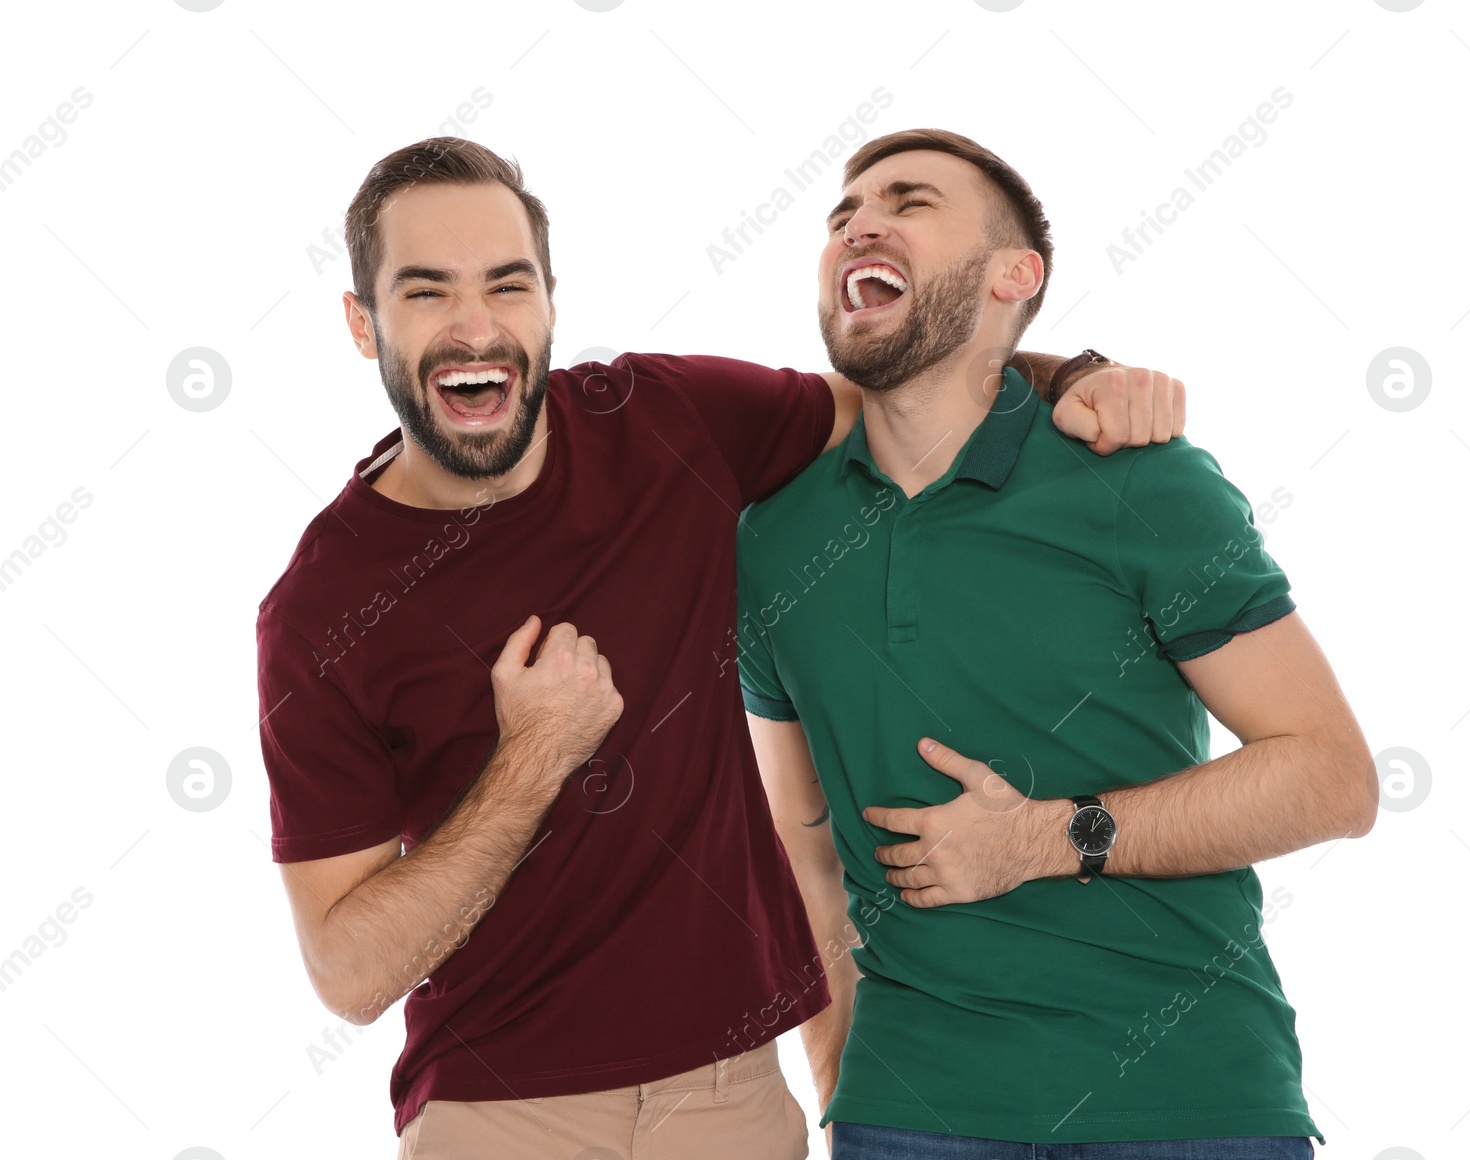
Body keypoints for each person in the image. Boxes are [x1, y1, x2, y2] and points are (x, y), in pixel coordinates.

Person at [253, 135, 1186, 1159]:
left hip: (733, 1097)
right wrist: (529, 761)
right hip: (501, 1106)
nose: (476, 327)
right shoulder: (324, 605)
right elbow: (347, 973)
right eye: (425, 292)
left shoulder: (663, 419)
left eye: (506, 285)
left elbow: (906, 391)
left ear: (549, 302)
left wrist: (1072, 374)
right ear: (362, 321)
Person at [737, 128, 1377, 1159]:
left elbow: (1332, 776)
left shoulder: (1142, 481)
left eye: (909, 200)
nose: (859, 220)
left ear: (1012, 276)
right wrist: (845, 1086)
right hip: (910, 1117)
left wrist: (1045, 836)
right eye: (842, 214)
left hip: (1190, 1104)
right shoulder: (773, 539)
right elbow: (801, 852)